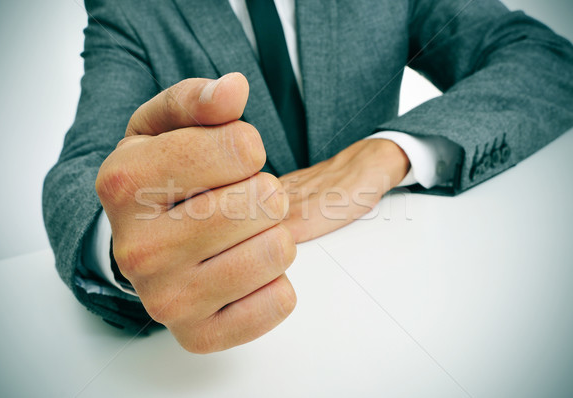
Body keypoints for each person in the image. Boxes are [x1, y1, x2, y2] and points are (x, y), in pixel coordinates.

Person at [43, 0, 573, 354]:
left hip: (409, 309)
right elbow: (82, 168)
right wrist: (122, 247)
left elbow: (543, 58)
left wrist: (382, 154)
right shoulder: (133, 12)